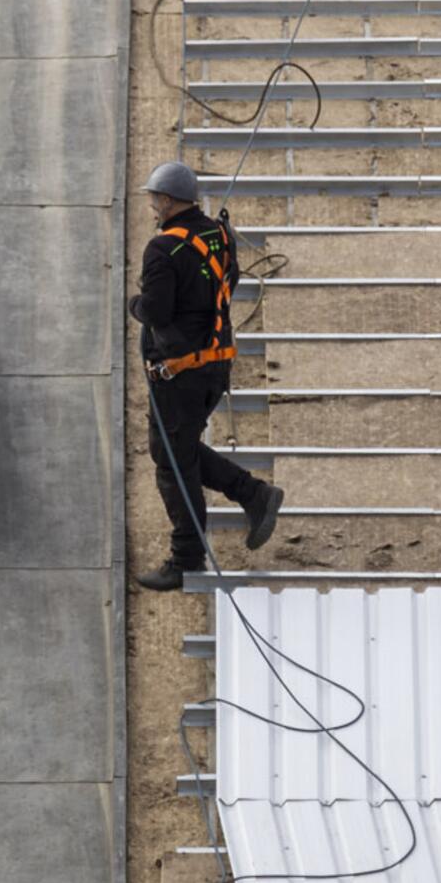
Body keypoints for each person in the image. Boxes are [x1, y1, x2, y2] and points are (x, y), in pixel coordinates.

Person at [131, 160, 283, 591]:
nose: (151, 206)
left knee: (171, 463)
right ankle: (252, 495)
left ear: (166, 200)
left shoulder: (162, 249)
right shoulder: (219, 234)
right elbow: (227, 281)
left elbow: (155, 311)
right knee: (178, 450)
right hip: (215, 367)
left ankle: (187, 557)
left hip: (180, 374)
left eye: (153, 199)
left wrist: (134, 305)